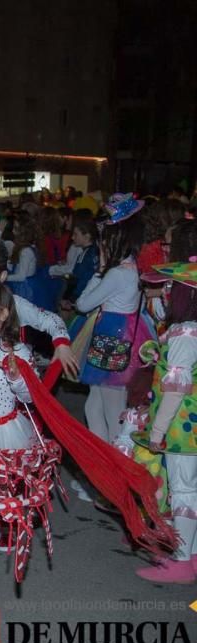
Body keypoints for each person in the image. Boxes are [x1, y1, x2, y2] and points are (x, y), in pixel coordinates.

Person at [0, 277, 59, 602]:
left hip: (3, 437)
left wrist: (17, 376)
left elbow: (31, 396)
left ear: (4, 313)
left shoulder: (16, 349)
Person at [134, 224, 197, 584]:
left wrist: (157, 431)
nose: (166, 293)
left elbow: (176, 386)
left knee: (183, 487)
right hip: (191, 418)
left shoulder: (185, 331)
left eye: (172, 288)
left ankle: (182, 560)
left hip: (182, 423)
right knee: (190, 486)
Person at [73, 219, 146, 441]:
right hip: (125, 334)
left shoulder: (117, 273)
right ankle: (101, 466)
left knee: (113, 414)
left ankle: (115, 467)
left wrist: (99, 273)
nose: (100, 245)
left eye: (103, 240)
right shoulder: (134, 267)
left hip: (110, 339)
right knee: (93, 407)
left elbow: (83, 304)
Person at [0, 242, 79, 378]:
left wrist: (62, 343)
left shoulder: (13, 303)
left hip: (10, 377)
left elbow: (50, 319)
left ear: (3, 276)